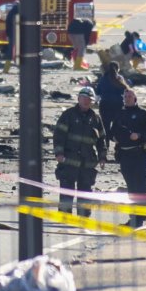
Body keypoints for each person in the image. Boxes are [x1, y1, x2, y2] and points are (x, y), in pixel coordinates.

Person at [53, 87, 107, 217]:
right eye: (83, 98)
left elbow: (102, 139)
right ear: (78, 99)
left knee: (85, 191)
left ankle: (83, 217)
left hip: (87, 163)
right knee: (67, 190)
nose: (86, 101)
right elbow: (59, 135)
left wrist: (102, 156)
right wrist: (59, 153)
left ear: (92, 101)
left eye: (89, 99)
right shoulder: (68, 115)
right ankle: (65, 217)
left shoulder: (96, 119)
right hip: (69, 160)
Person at [113, 89, 146, 227]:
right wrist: (122, 136)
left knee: (140, 187)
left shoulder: (144, 114)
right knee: (131, 187)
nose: (127, 98)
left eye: (130, 96)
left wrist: (139, 136)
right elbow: (113, 132)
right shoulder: (119, 114)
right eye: (125, 96)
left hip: (139, 154)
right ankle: (133, 217)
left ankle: (140, 218)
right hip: (125, 155)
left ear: (135, 98)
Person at [94, 61, 129, 141]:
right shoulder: (120, 78)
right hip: (118, 105)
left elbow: (98, 93)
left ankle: (106, 145)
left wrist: (96, 101)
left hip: (105, 105)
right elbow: (125, 92)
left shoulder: (103, 78)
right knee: (118, 125)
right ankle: (115, 140)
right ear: (118, 69)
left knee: (105, 126)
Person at [4, 4, 19, 73]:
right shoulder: (22, 12)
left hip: (12, 34)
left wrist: (8, 34)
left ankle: (6, 69)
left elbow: (7, 24)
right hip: (19, 34)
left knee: (10, 51)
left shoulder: (10, 13)